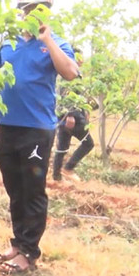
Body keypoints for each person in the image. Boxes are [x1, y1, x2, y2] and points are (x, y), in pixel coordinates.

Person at [0, 0, 79, 271]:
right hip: (8, 127)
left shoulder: (56, 44)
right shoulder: (7, 44)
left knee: (32, 190)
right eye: (28, 9)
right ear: (20, 12)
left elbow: (70, 72)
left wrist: (47, 40)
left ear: (47, 14)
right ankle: (17, 244)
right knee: (15, 188)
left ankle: (29, 253)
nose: (33, 14)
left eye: (40, 10)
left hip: (37, 130)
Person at [52, 49, 94, 181]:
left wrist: (85, 110)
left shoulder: (66, 72)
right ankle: (68, 168)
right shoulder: (71, 73)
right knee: (88, 143)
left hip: (63, 115)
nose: (82, 60)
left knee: (62, 147)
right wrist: (70, 114)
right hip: (72, 117)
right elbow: (66, 93)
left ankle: (57, 177)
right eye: (79, 57)